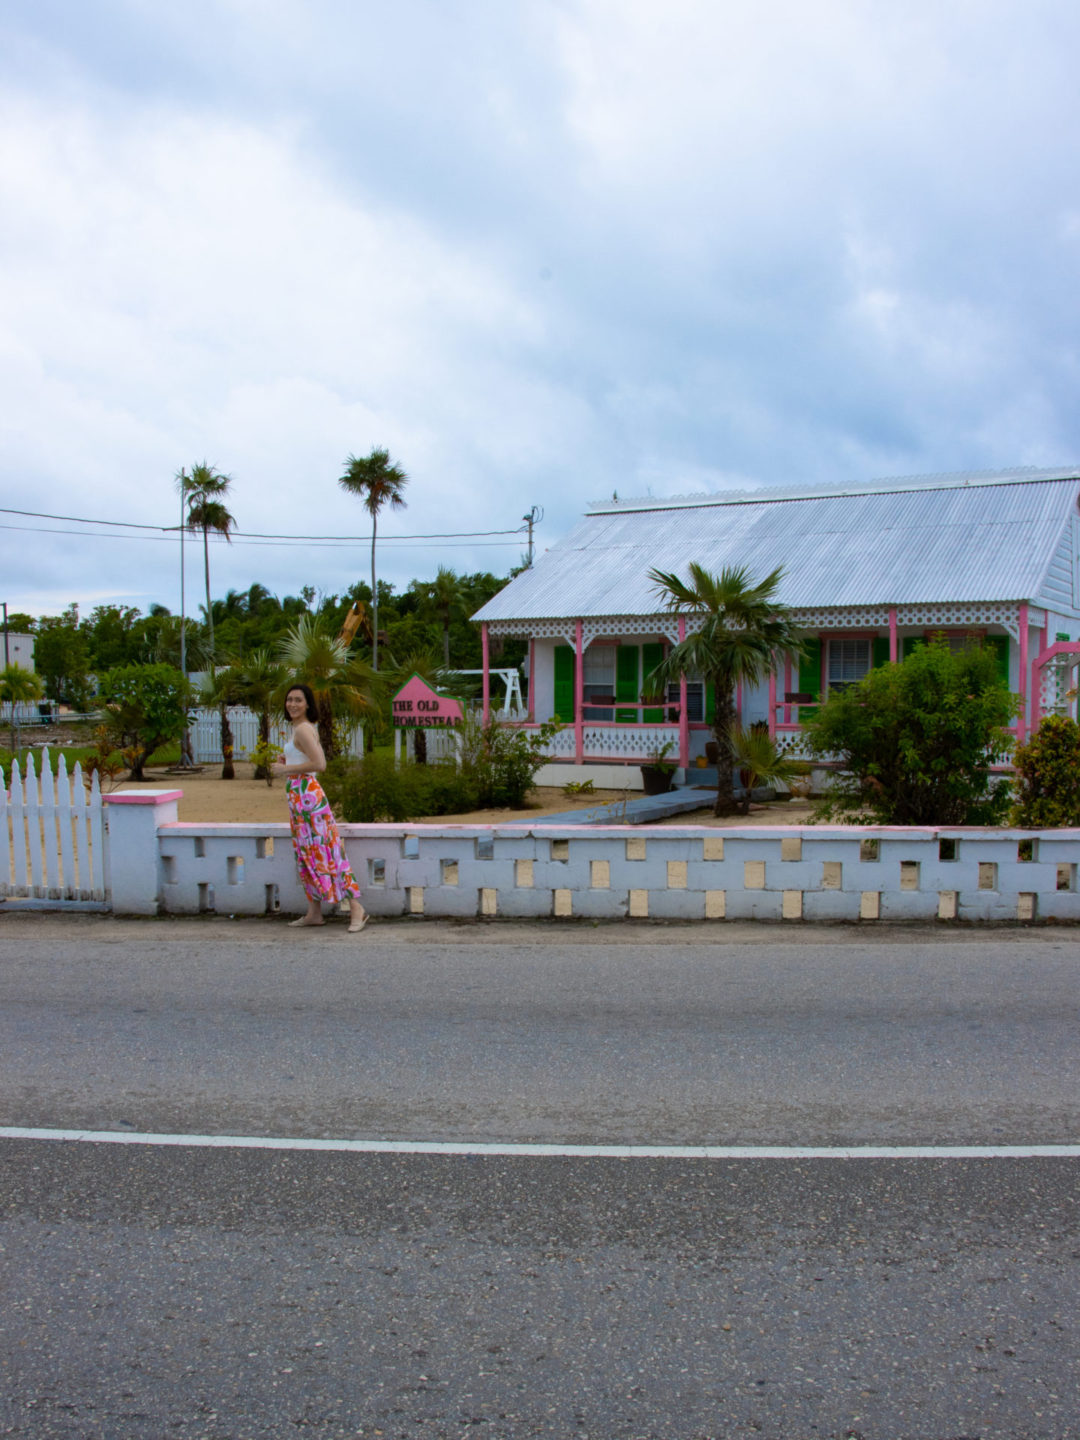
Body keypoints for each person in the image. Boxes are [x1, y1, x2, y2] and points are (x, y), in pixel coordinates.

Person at [279, 682, 367, 932]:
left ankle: (357, 909)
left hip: (308, 797)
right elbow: (306, 759)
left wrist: (285, 769)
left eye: (298, 700)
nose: (293, 704)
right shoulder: (300, 728)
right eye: (289, 700)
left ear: (308, 704)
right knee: (307, 853)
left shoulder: (303, 729)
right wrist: (289, 760)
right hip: (300, 799)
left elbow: (320, 764)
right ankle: (314, 913)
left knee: (326, 851)